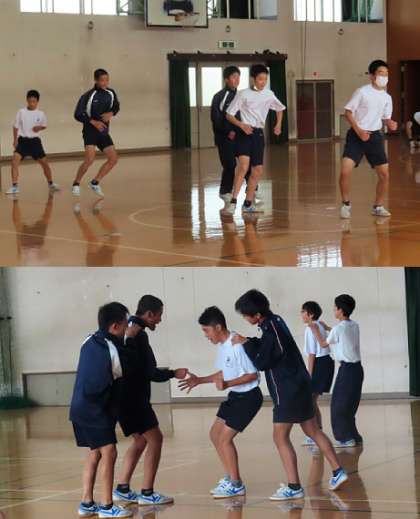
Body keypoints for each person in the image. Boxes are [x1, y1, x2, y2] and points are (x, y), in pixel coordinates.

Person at [233, 289, 348, 501]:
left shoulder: (271, 328)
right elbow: (268, 348)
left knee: (280, 436)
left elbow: (262, 361)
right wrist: (248, 340)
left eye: (245, 315)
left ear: (256, 314)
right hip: (299, 385)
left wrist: (246, 344)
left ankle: (294, 486)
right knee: (312, 430)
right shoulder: (274, 322)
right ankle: (338, 471)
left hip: (288, 389)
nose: (245, 319)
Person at [179, 306, 263, 499]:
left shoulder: (237, 344)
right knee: (214, 434)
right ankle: (229, 477)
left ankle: (236, 484)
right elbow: (224, 372)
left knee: (225, 439)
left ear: (218, 327)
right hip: (235, 396)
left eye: (206, 330)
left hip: (249, 397)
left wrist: (227, 384)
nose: (206, 336)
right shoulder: (222, 346)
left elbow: (252, 375)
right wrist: (199, 380)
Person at [114, 295, 187, 506]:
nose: (160, 320)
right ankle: (147, 493)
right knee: (156, 439)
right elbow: (149, 372)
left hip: (123, 398)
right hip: (133, 399)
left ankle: (123, 489)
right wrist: (174, 373)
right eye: (159, 315)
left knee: (140, 440)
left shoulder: (128, 330)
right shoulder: (137, 334)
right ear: (149, 314)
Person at [69, 302, 133, 518]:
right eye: (125, 323)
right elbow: (119, 380)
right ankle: (107, 506)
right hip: (96, 409)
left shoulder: (88, 340)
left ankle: (87, 502)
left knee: (94, 451)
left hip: (78, 407)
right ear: (115, 326)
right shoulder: (113, 349)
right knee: (109, 451)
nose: (127, 328)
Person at [339, 60, 398, 219]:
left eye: (386, 74)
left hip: (375, 138)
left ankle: (378, 206)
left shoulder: (387, 97)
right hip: (356, 136)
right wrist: (359, 131)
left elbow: (385, 117)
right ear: (372, 76)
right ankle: (346, 204)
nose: (384, 77)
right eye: (381, 73)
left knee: (384, 175)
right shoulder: (362, 92)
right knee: (345, 172)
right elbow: (348, 112)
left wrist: (390, 123)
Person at [225, 64, 285, 214]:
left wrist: (278, 124)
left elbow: (280, 109)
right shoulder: (243, 94)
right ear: (253, 79)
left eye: (265, 79)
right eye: (260, 79)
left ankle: (248, 203)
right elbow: (229, 114)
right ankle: (233, 202)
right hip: (244, 133)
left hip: (258, 135)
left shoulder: (269, 94)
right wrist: (241, 125)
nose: (263, 82)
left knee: (257, 170)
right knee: (244, 166)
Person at [309, 294, 364, 448]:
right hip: (357, 370)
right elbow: (340, 333)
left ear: (340, 310)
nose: (334, 310)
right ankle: (354, 436)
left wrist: (315, 330)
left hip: (347, 371)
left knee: (338, 405)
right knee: (350, 404)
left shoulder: (338, 329)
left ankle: (345, 439)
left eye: (335, 307)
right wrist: (327, 328)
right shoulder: (354, 325)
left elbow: (323, 343)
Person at [211, 66, 256, 206]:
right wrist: (228, 131)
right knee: (230, 164)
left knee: (246, 162)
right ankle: (225, 192)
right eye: (233, 77)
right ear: (226, 79)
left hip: (240, 136)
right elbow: (216, 119)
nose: (237, 80)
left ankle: (252, 189)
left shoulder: (241, 96)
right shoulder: (219, 97)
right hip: (224, 138)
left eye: (238, 77)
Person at [73, 68, 120, 198]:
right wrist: (94, 122)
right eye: (102, 80)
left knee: (113, 159)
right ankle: (76, 183)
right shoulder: (88, 96)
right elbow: (77, 114)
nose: (105, 83)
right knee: (90, 159)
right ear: (96, 80)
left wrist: (111, 113)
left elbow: (116, 106)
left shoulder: (111, 93)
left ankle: (95, 182)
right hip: (90, 131)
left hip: (103, 132)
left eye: (107, 80)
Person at [6, 90, 60, 196]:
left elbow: (44, 125)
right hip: (23, 141)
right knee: (14, 161)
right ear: (27, 100)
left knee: (45, 164)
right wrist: (15, 140)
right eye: (30, 101)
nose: (31, 103)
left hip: (35, 142)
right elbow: (15, 127)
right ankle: (14, 187)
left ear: (37, 101)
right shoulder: (21, 112)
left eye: (34, 101)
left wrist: (39, 128)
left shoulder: (41, 114)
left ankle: (51, 183)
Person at [300, 301, 335, 446]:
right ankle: (317, 432)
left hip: (320, 364)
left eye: (303, 312)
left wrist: (309, 374)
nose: (301, 314)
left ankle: (315, 434)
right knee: (312, 400)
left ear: (311, 314)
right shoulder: (319, 324)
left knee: (310, 400)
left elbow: (312, 353)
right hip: (327, 363)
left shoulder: (311, 328)